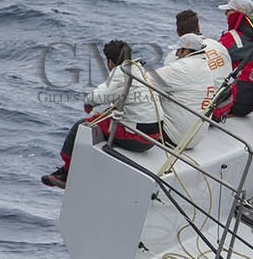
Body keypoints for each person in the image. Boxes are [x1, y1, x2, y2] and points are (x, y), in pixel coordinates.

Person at [43, 41, 164, 188]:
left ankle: (66, 172)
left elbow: (99, 95)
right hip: (154, 136)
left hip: (138, 139)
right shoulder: (139, 70)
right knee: (102, 120)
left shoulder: (121, 72)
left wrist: (88, 103)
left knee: (82, 126)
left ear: (110, 62)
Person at [151, 31, 229, 138]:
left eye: (178, 50)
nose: (176, 54)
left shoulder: (182, 67)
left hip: (174, 137)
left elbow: (147, 80)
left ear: (185, 50)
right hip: (195, 137)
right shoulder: (205, 68)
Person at [215, 0, 253, 117]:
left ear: (236, 14)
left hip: (231, 103)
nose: (225, 14)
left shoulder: (231, 39)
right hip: (250, 102)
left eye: (228, 11)